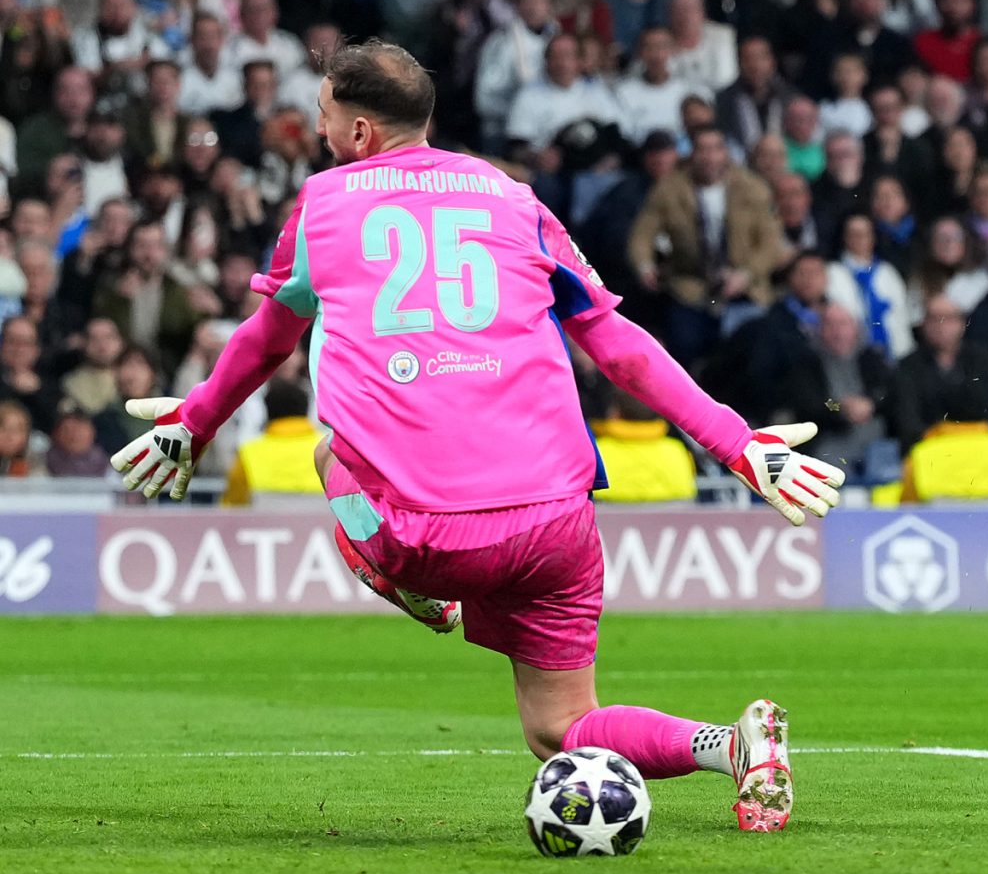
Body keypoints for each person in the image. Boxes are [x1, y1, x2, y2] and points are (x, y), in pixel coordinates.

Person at [109, 41, 843, 833]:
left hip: (419, 533)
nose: (319, 135)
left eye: (323, 119)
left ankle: (412, 586)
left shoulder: (321, 208)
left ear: (358, 132)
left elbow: (267, 340)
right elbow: (617, 342)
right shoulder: (514, 198)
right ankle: (735, 745)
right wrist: (738, 443)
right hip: (555, 523)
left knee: (327, 454)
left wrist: (195, 421)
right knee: (558, 727)